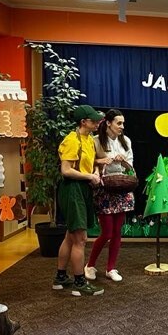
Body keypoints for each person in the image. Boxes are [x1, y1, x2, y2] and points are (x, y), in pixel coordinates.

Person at [52, 104, 105, 296]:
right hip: (72, 189)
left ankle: (60, 278)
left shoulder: (89, 140)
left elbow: (91, 162)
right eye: (94, 120)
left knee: (70, 235)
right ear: (83, 122)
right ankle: (79, 282)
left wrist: (95, 171)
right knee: (80, 239)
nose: (98, 122)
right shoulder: (72, 140)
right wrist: (89, 176)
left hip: (82, 188)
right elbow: (66, 170)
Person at [84, 109, 134, 282]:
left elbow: (130, 166)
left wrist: (123, 160)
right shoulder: (95, 141)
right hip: (104, 189)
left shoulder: (126, 141)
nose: (122, 126)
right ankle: (90, 265)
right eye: (119, 123)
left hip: (122, 188)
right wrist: (102, 160)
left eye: (123, 123)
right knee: (106, 233)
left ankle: (111, 268)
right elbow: (88, 163)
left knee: (117, 232)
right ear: (108, 123)